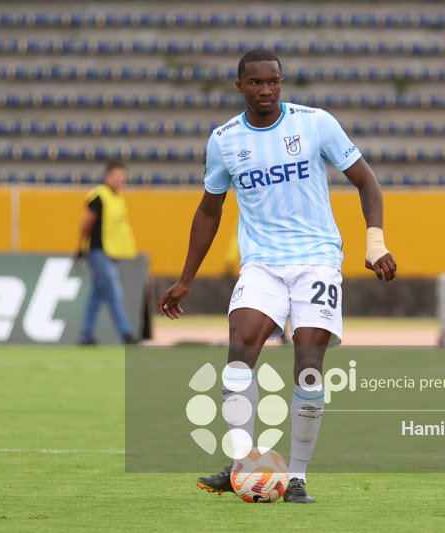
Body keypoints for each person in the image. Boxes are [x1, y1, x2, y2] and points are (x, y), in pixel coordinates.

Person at [158, 49, 396, 504]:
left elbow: (367, 180)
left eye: (274, 82)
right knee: (239, 350)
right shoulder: (224, 140)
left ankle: (299, 477)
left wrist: (375, 241)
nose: (266, 90)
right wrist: (186, 278)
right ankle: (243, 463)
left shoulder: (315, 123)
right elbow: (210, 209)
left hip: (317, 259)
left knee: (308, 367)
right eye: (256, 83)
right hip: (263, 262)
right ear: (240, 86)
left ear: (281, 83)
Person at [76, 160, 138, 345]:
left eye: (123, 177)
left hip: (111, 252)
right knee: (114, 291)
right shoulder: (99, 196)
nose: (120, 180)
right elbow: (86, 222)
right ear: (107, 176)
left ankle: (85, 335)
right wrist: (80, 246)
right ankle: (126, 333)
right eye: (117, 176)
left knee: (97, 295)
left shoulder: (117, 197)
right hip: (98, 251)